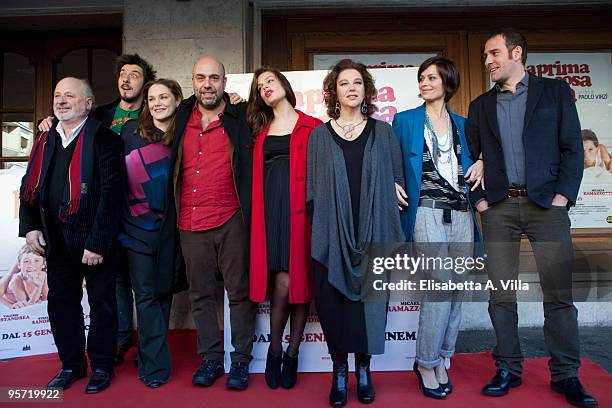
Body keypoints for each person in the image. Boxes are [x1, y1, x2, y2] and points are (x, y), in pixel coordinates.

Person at [466, 28, 598, 408]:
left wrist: (562, 198)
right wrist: (480, 202)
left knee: (559, 294)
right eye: (485, 56)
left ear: (516, 52)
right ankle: (507, 367)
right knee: (501, 296)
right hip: (499, 209)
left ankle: (566, 375)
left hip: (547, 208)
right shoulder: (480, 106)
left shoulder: (554, 93)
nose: (488, 61)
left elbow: (573, 148)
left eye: (493, 54)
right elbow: (471, 159)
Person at [39, 54, 157, 366]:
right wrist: (50, 121)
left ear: (146, 82)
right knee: (112, 283)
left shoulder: (156, 110)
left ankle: (148, 349)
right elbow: (69, 130)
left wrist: (232, 98)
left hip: (142, 212)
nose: (126, 79)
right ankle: (119, 339)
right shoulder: (102, 113)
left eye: (134, 74)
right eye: (122, 74)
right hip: (102, 211)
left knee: (144, 286)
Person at [306, 59, 407, 407]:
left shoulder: (383, 132)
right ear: (334, 91)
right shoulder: (319, 136)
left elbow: (397, 178)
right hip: (333, 236)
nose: (351, 88)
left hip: (374, 230)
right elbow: (313, 192)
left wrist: (392, 187)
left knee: (371, 304)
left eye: (357, 83)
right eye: (344, 83)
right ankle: (338, 372)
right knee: (334, 306)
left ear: (366, 90)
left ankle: (364, 369)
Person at [19, 77, 125, 393]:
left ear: (88, 104)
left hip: (93, 243)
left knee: (103, 304)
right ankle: (72, 365)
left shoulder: (105, 140)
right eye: (57, 95)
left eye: (70, 96)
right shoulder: (45, 139)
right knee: (62, 304)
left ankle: (103, 366)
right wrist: (31, 227)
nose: (62, 100)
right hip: (55, 240)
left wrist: (97, 242)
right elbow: (30, 187)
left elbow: (111, 196)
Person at [160, 56, 256, 390]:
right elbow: (141, 121)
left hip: (232, 217)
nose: (208, 83)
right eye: (201, 77)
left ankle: (241, 361)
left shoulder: (242, 114)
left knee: (239, 293)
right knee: (200, 294)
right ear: (193, 81)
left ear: (225, 83)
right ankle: (211, 358)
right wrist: (49, 121)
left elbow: (283, 115)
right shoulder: (182, 113)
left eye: (214, 77)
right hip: (189, 219)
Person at [393, 56, 482, 400]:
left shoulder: (464, 124)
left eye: (431, 77)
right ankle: (425, 362)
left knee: (457, 289)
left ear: (447, 82)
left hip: (461, 213)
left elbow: (481, 154)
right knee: (439, 286)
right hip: (425, 212)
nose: (424, 83)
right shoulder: (405, 121)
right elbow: (389, 158)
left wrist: (483, 160)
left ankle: (444, 356)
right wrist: (391, 182)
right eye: (422, 78)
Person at [247, 68, 322, 389]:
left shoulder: (313, 126)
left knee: (299, 279)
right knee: (280, 278)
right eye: (260, 85)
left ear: (284, 86)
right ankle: (275, 350)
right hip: (269, 213)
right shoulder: (258, 128)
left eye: (270, 81)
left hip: (303, 213)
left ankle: (291, 352)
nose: (265, 87)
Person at [118, 79, 183, 388]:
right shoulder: (129, 132)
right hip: (134, 229)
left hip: (171, 231)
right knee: (145, 296)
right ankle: (156, 367)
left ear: (177, 100)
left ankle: (148, 354)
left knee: (163, 293)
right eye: (152, 98)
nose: (157, 103)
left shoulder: (184, 133)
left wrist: (234, 99)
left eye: (164, 97)